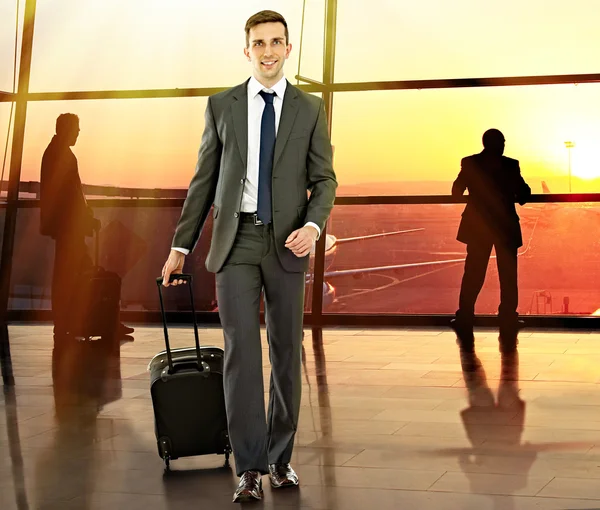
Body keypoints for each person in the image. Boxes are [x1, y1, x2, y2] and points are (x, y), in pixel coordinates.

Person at [161, 10, 337, 503]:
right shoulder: (222, 105)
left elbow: (325, 179)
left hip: (287, 244)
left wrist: (312, 224)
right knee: (242, 354)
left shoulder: (309, 108)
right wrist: (180, 247)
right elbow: (203, 182)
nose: (267, 50)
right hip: (234, 243)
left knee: (285, 354)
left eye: (276, 42)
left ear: (287, 49)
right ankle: (250, 468)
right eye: (258, 42)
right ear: (247, 50)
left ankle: (280, 461)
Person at [40, 114, 134, 342]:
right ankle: (97, 320)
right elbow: (70, 195)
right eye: (76, 129)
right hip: (68, 227)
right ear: (66, 129)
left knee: (74, 273)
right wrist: (85, 218)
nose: (79, 133)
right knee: (75, 273)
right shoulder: (63, 155)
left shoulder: (54, 152)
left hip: (65, 226)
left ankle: (78, 323)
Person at [451, 129, 531, 359]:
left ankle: (465, 316)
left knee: (473, 273)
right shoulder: (511, 165)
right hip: (505, 227)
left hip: (477, 227)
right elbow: (524, 194)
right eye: (503, 141)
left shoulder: (470, 163)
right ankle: (507, 317)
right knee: (508, 275)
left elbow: (456, 192)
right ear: (499, 144)